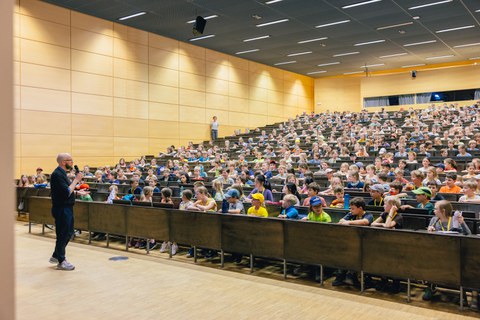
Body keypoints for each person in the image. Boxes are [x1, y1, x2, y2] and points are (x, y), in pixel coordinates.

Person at [49, 153, 86, 271]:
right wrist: (76, 180)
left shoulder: (61, 173)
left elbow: (64, 191)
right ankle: (61, 260)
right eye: (70, 160)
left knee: (69, 232)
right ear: (63, 162)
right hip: (62, 209)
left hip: (66, 207)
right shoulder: (57, 174)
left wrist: (77, 193)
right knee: (63, 234)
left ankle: (56, 255)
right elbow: (65, 192)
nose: (72, 163)